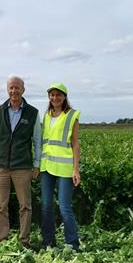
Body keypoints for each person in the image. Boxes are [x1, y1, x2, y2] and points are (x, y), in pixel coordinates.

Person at [0, 76, 41, 248]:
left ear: (23, 90)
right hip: (0, 166)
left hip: (23, 166)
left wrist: (36, 164)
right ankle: (2, 241)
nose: (14, 91)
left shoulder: (32, 113)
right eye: (11, 88)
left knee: (25, 205)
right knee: (0, 205)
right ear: (7, 90)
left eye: (17, 88)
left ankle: (24, 241)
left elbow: (37, 141)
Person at [40, 82, 81, 251]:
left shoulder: (72, 115)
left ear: (64, 97)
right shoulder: (46, 116)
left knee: (64, 207)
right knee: (46, 206)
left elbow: (75, 143)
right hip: (46, 166)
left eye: (58, 95)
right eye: (52, 95)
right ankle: (48, 242)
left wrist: (76, 168)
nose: (55, 98)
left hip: (64, 167)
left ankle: (72, 244)